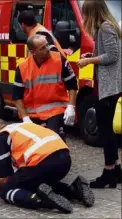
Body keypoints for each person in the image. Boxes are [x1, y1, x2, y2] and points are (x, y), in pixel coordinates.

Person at [0, 117, 95, 213]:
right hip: (64, 160)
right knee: (36, 182)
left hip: (43, 162)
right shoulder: (23, 126)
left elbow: (5, 177)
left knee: (7, 189)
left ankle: (41, 200)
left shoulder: (0, 137)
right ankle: (74, 189)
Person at [76, 0, 122, 188]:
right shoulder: (105, 27)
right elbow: (105, 52)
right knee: (107, 129)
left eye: (85, 12)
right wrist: (91, 56)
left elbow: (112, 56)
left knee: (105, 130)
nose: (84, 16)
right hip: (109, 84)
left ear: (93, 11)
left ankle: (109, 171)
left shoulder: (105, 27)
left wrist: (89, 62)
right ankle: (116, 169)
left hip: (109, 86)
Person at [12, 34, 78, 136]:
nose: (47, 49)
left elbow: (72, 84)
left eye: (47, 45)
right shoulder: (22, 67)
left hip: (55, 111)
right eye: (43, 48)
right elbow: (17, 97)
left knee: (53, 139)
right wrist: (25, 118)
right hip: (31, 114)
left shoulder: (59, 60)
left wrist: (71, 106)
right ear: (33, 52)